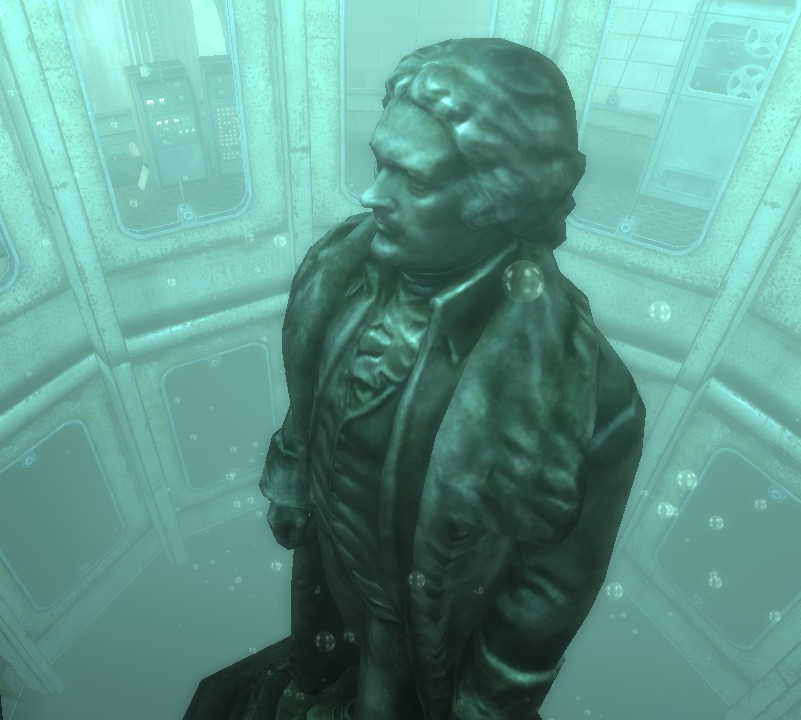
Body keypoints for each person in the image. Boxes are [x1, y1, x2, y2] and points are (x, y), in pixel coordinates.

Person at [260, 37, 646, 720]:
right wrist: (293, 479)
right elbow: (308, 389)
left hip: (420, 627)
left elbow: (555, 585)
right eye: (379, 164)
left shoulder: (585, 393)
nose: (372, 196)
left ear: (499, 196)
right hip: (327, 560)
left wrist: (490, 701)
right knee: (315, 673)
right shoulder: (337, 271)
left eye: (412, 180)